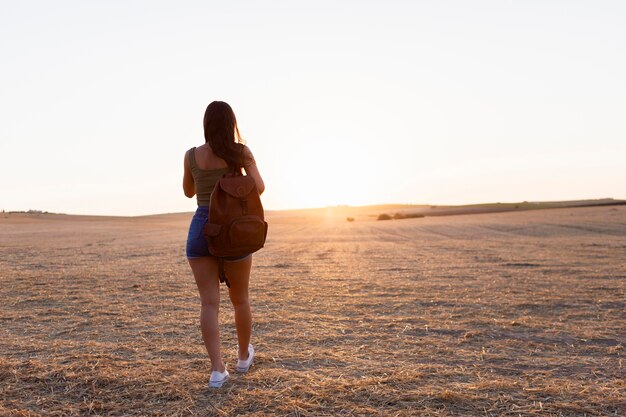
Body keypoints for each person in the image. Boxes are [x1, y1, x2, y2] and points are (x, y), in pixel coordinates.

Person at [183, 101, 265, 388]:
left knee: (209, 302)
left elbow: (188, 191)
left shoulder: (192, 155)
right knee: (240, 298)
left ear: (206, 124)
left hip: (202, 227)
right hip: (233, 228)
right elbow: (260, 187)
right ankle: (243, 358)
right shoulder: (241, 152)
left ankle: (218, 370)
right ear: (232, 123)